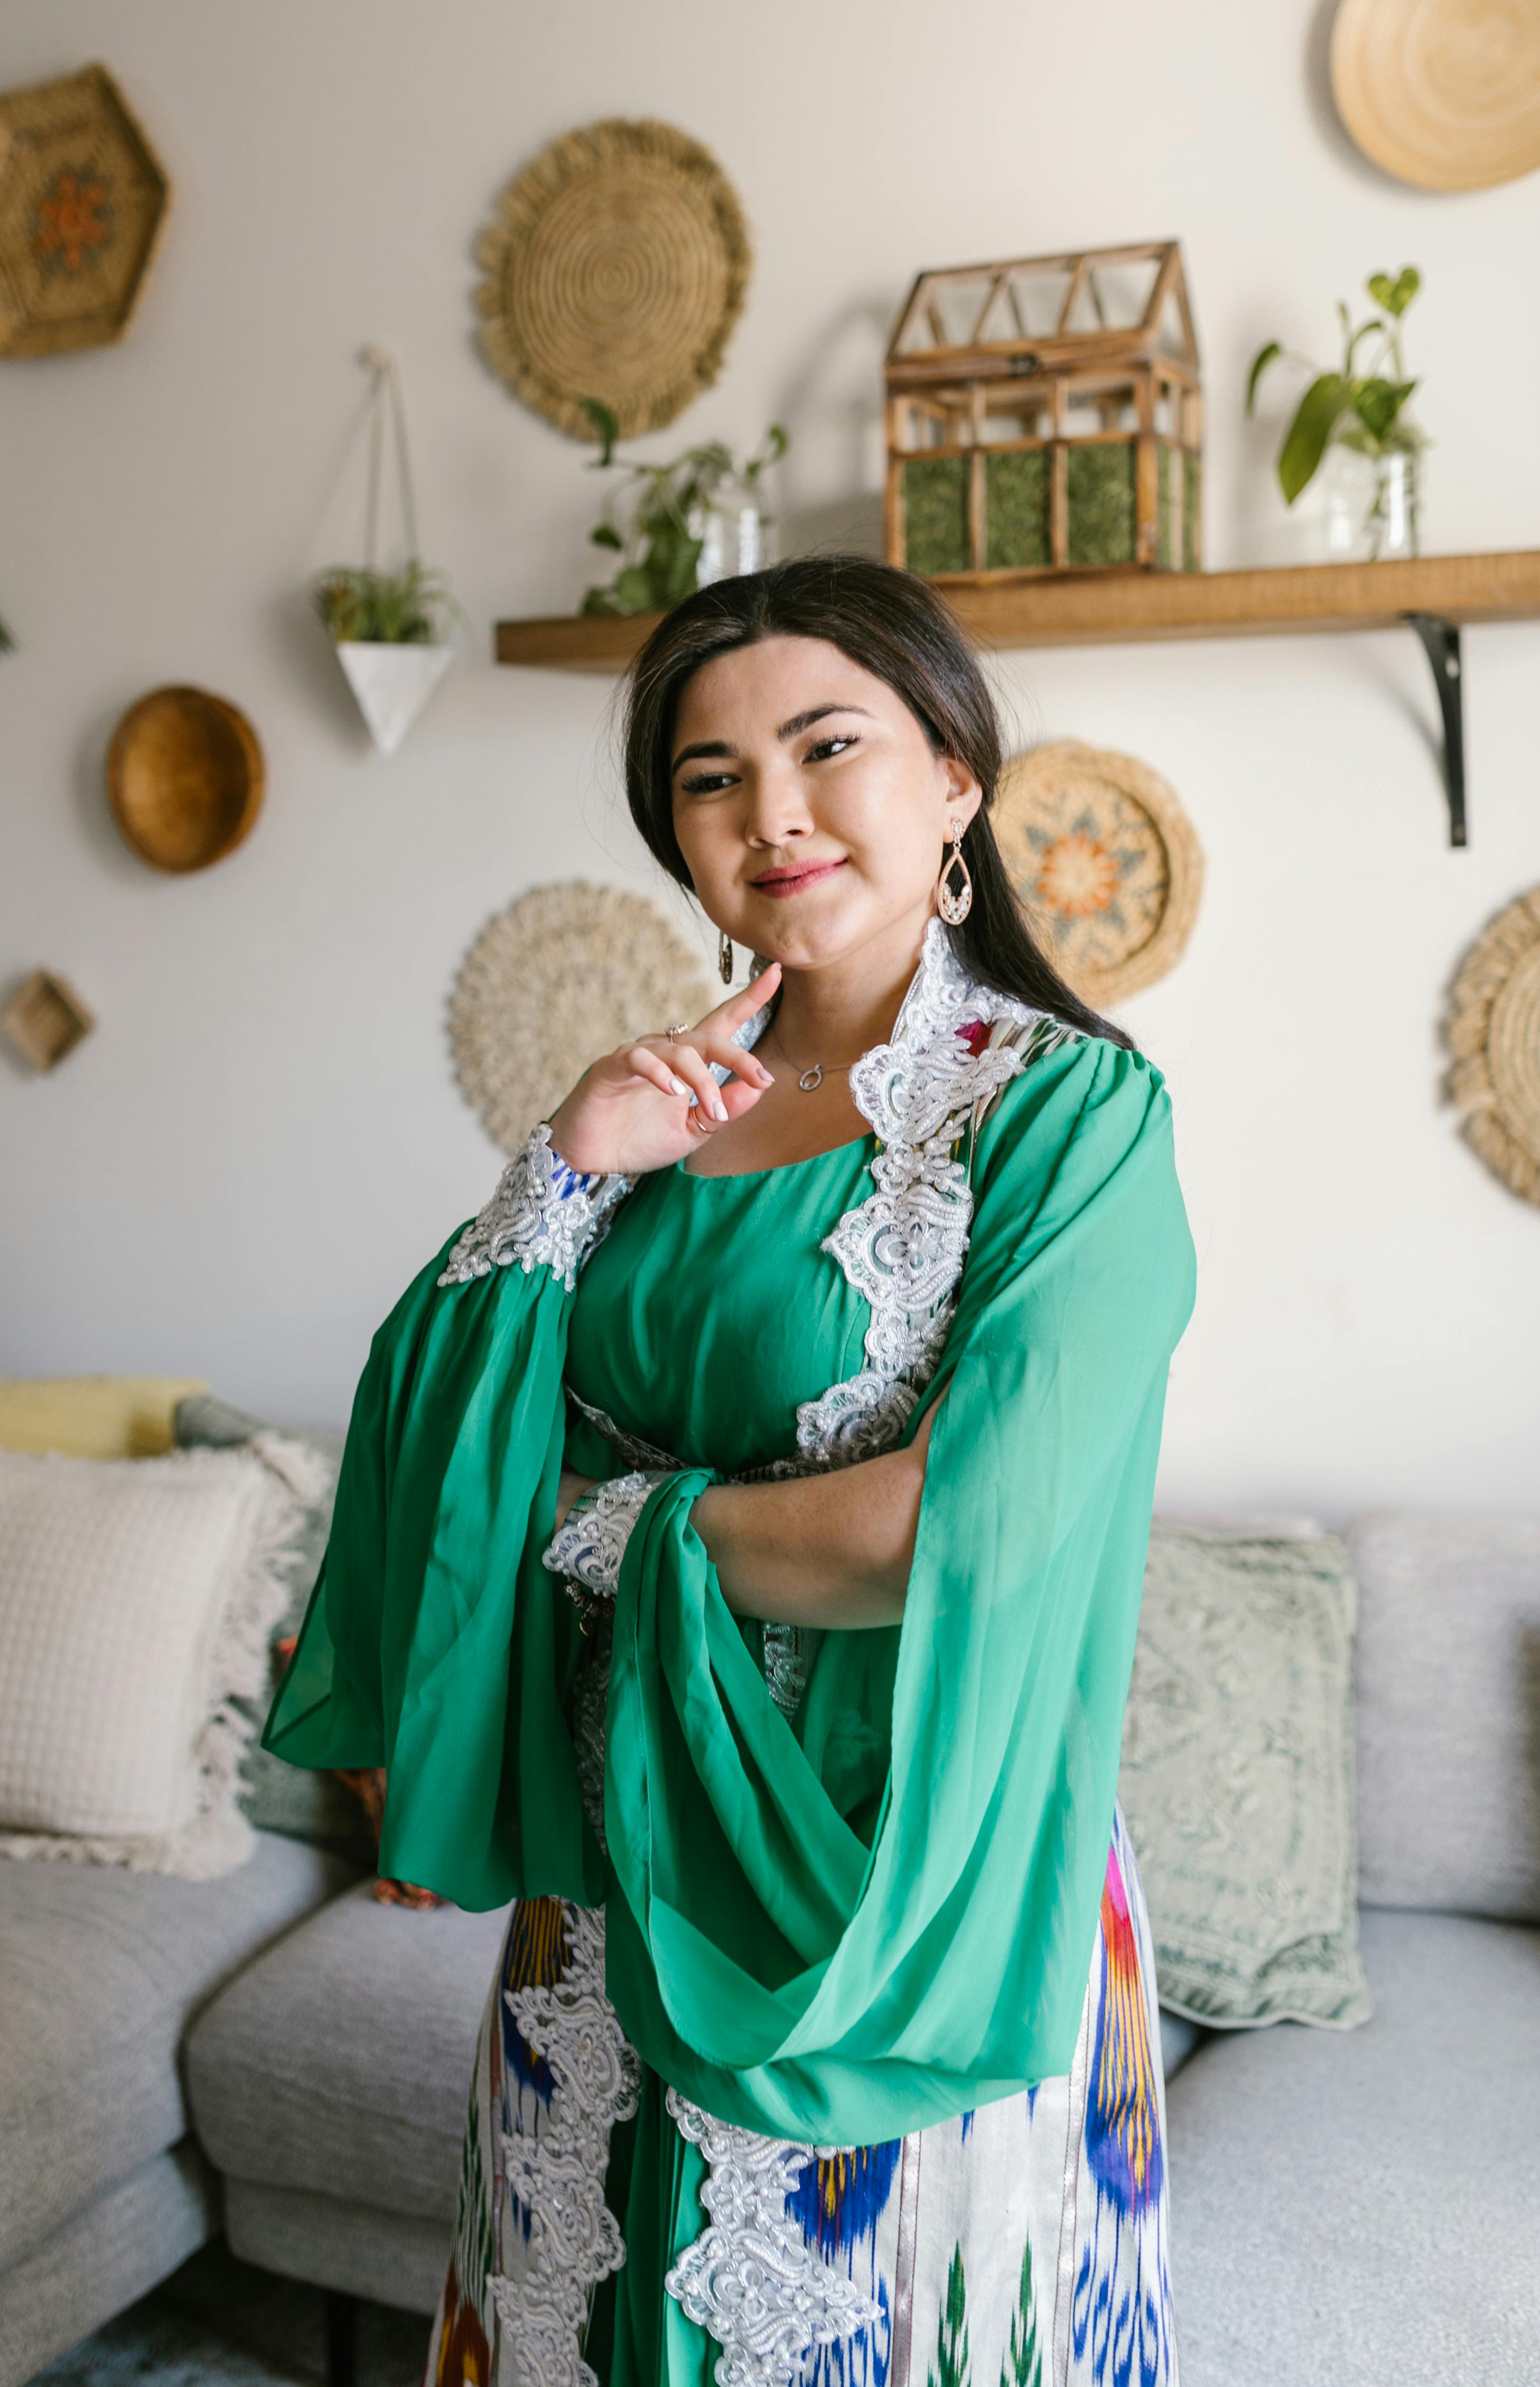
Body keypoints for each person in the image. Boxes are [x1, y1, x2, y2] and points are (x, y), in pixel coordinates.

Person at [264, 554, 1196, 2387]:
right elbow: (432, 1467)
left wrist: (604, 1525)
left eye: (826, 745)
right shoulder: (649, 1111)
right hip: (606, 1878)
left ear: (953, 777)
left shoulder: (1073, 1113)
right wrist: (558, 1161)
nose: (770, 813)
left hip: (902, 1866)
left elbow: (951, 1533)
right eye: (708, 777)